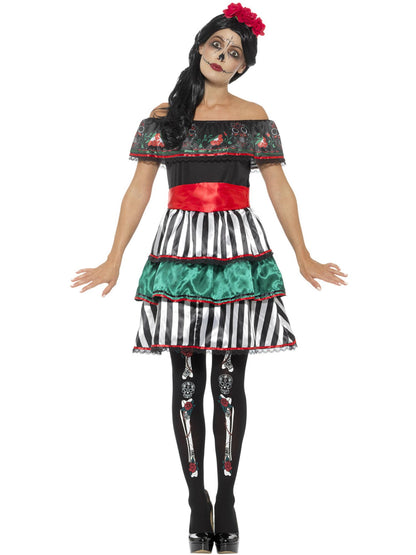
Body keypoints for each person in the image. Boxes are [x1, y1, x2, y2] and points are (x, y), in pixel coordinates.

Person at [70, 3, 348, 553]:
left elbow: (280, 188)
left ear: (244, 65)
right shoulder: (164, 115)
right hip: (181, 251)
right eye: (217, 45)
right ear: (200, 47)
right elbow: (138, 190)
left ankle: (228, 497)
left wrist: (304, 255)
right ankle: (196, 497)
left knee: (228, 383)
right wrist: (113, 258)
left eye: (235, 52)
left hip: (237, 250)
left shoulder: (254, 116)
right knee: (185, 381)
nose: (223, 56)